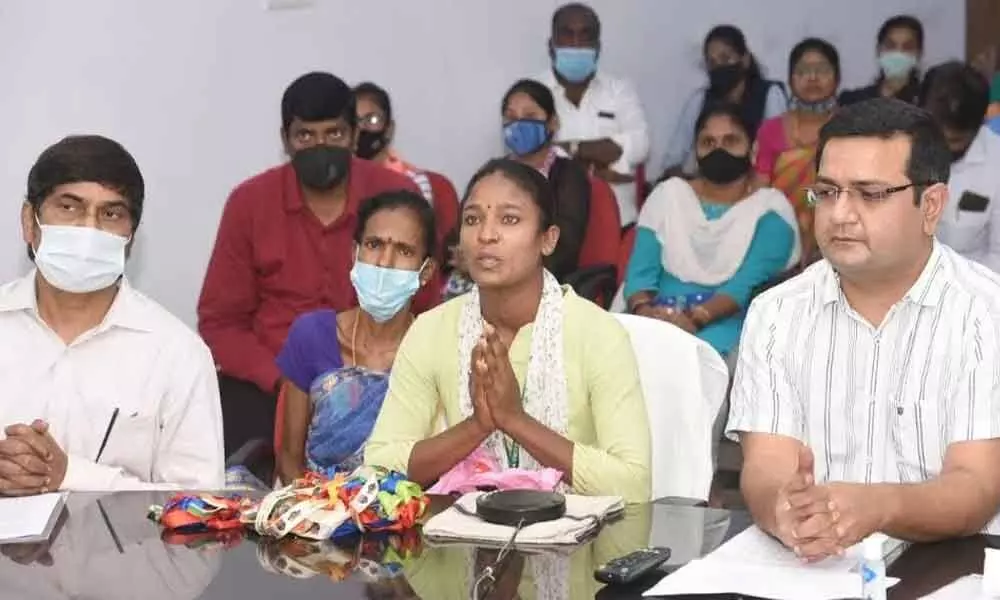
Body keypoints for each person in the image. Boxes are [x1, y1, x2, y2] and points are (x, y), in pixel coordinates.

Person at [728, 98, 1000, 563]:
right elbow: (766, 465)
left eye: (869, 194)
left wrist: (880, 506)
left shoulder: (985, 313)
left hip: (953, 571)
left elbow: (975, 487)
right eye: (828, 192)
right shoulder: (776, 313)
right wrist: (785, 509)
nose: (840, 215)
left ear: (930, 206)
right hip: (809, 571)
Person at [366, 159, 651, 503]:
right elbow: (379, 466)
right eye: (472, 219)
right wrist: (476, 427)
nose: (486, 234)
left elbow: (634, 483)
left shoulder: (598, 333)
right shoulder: (432, 330)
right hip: (461, 539)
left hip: (581, 542)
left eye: (509, 219)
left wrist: (516, 420)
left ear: (548, 240)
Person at [197, 72, 421, 458]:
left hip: (382, 381)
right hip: (269, 386)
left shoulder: (396, 196)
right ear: (286, 140)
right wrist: (282, 379)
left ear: (353, 136)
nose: (320, 146)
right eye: (306, 136)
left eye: (333, 134)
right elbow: (220, 322)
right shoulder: (249, 203)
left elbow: (426, 309)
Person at [0, 135, 223, 493]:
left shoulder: (177, 353)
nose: (89, 229)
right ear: (30, 221)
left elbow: (199, 506)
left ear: (131, 236)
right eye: (69, 207)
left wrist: (70, 475)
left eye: (110, 214)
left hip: (122, 551)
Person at [275, 190, 436, 483]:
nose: (384, 262)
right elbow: (289, 460)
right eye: (374, 245)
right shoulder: (311, 335)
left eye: (404, 251)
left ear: (426, 272)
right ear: (354, 253)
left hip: (405, 516)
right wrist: (318, 518)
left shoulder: (433, 348)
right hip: (313, 513)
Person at [624, 103, 799, 359]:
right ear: (696, 153)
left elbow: (742, 287)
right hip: (655, 319)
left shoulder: (770, 211)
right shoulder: (668, 196)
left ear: (753, 150)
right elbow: (640, 275)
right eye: (708, 142)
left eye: (731, 141)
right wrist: (645, 314)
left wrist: (694, 320)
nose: (719, 150)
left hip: (726, 323)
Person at [536, 2, 650, 227]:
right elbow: (532, 156)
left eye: (585, 36)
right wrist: (598, 166)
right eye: (567, 35)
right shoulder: (532, 94)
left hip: (619, 223)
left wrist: (569, 150)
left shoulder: (620, 90)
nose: (576, 44)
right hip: (554, 227)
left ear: (597, 47)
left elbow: (640, 145)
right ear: (551, 45)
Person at [661, 25, 787, 181]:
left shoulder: (770, 94)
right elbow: (673, 159)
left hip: (757, 188)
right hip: (707, 189)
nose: (719, 66)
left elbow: (780, 157)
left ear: (745, 59)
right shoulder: (699, 100)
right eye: (712, 62)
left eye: (725, 58)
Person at [755, 38, 840, 264]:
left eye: (821, 70)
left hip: (836, 229)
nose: (812, 78)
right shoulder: (770, 130)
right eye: (803, 71)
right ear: (791, 80)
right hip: (779, 229)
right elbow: (761, 193)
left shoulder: (849, 128)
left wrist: (810, 210)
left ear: (837, 79)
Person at [353, 81, 459, 253]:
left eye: (372, 119)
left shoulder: (415, 182)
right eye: (355, 121)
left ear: (389, 128)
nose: (363, 128)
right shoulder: (339, 185)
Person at [502, 78, 590, 281]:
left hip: (539, 279)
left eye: (530, 116)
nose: (518, 124)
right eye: (511, 117)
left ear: (552, 123)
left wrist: (512, 266)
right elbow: (464, 225)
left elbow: (565, 247)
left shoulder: (568, 175)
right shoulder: (494, 172)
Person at [920, 62, 1000, 273]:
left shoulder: (996, 161)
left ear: (978, 125)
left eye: (955, 141)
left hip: (974, 287)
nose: (943, 146)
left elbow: (997, 255)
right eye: (937, 134)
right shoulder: (896, 147)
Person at [839, 15, 923, 106]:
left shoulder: (927, 101)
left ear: (919, 53)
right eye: (890, 46)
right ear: (878, 50)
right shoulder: (852, 100)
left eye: (908, 47)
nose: (898, 53)